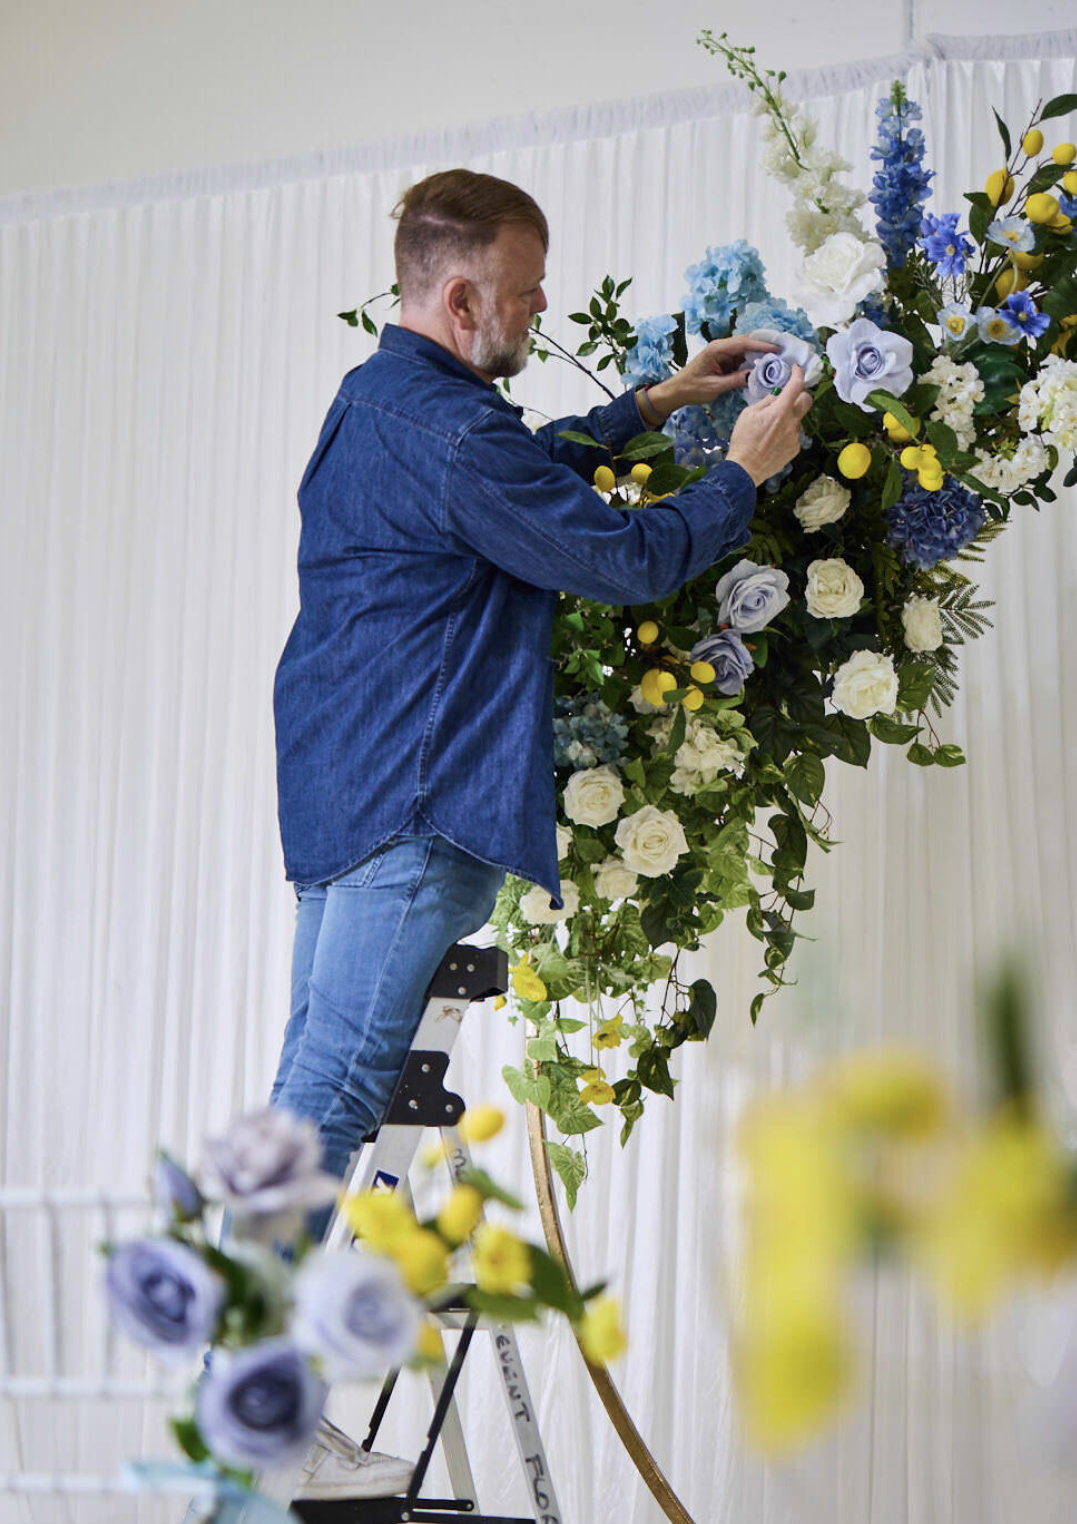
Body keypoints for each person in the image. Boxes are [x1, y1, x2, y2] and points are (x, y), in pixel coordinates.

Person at [268, 167, 811, 1499]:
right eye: (523, 292)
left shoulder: (384, 402)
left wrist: (657, 403)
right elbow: (618, 561)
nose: (539, 308)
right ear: (460, 297)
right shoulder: (453, 437)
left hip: (348, 796)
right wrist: (737, 473)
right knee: (330, 1104)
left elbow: (511, 478)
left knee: (308, 1102)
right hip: (412, 802)